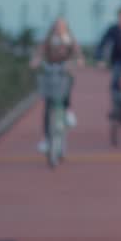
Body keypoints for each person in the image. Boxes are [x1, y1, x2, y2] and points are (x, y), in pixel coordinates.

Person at [30, 16, 84, 153]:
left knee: (65, 92)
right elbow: (40, 52)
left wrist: (77, 61)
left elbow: (78, 54)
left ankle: (68, 111)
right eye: (57, 26)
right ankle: (47, 139)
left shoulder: (70, 40)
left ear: (66, 28)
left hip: (65, 72)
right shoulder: (48, 40)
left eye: (62, 26)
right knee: (48, 105)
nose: (59, 28)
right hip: (50, 71)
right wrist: (36, 60)